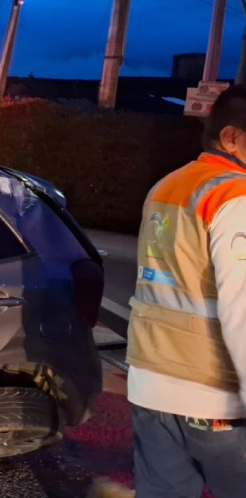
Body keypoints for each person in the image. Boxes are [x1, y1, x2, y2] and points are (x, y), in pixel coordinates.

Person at [126, 84, 246, 497]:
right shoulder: (236, 195)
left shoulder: (166, 186)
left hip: (150, 380)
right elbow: (242, 309)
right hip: (215, 396)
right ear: (232, 138)